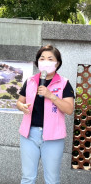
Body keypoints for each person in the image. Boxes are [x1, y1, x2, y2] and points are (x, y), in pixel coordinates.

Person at [16, 44, 74, 184]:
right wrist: (21, 106)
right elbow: (19, 101)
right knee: (27, 177)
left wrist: (51, 96)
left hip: (53, 137)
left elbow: (69, 109)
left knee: (52, 179)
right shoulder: (30, 81)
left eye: (50, 58)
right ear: (37, 62)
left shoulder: (64, 83)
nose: (45, 62)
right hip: (29, 135)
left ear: (57, 63)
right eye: (42, 58)